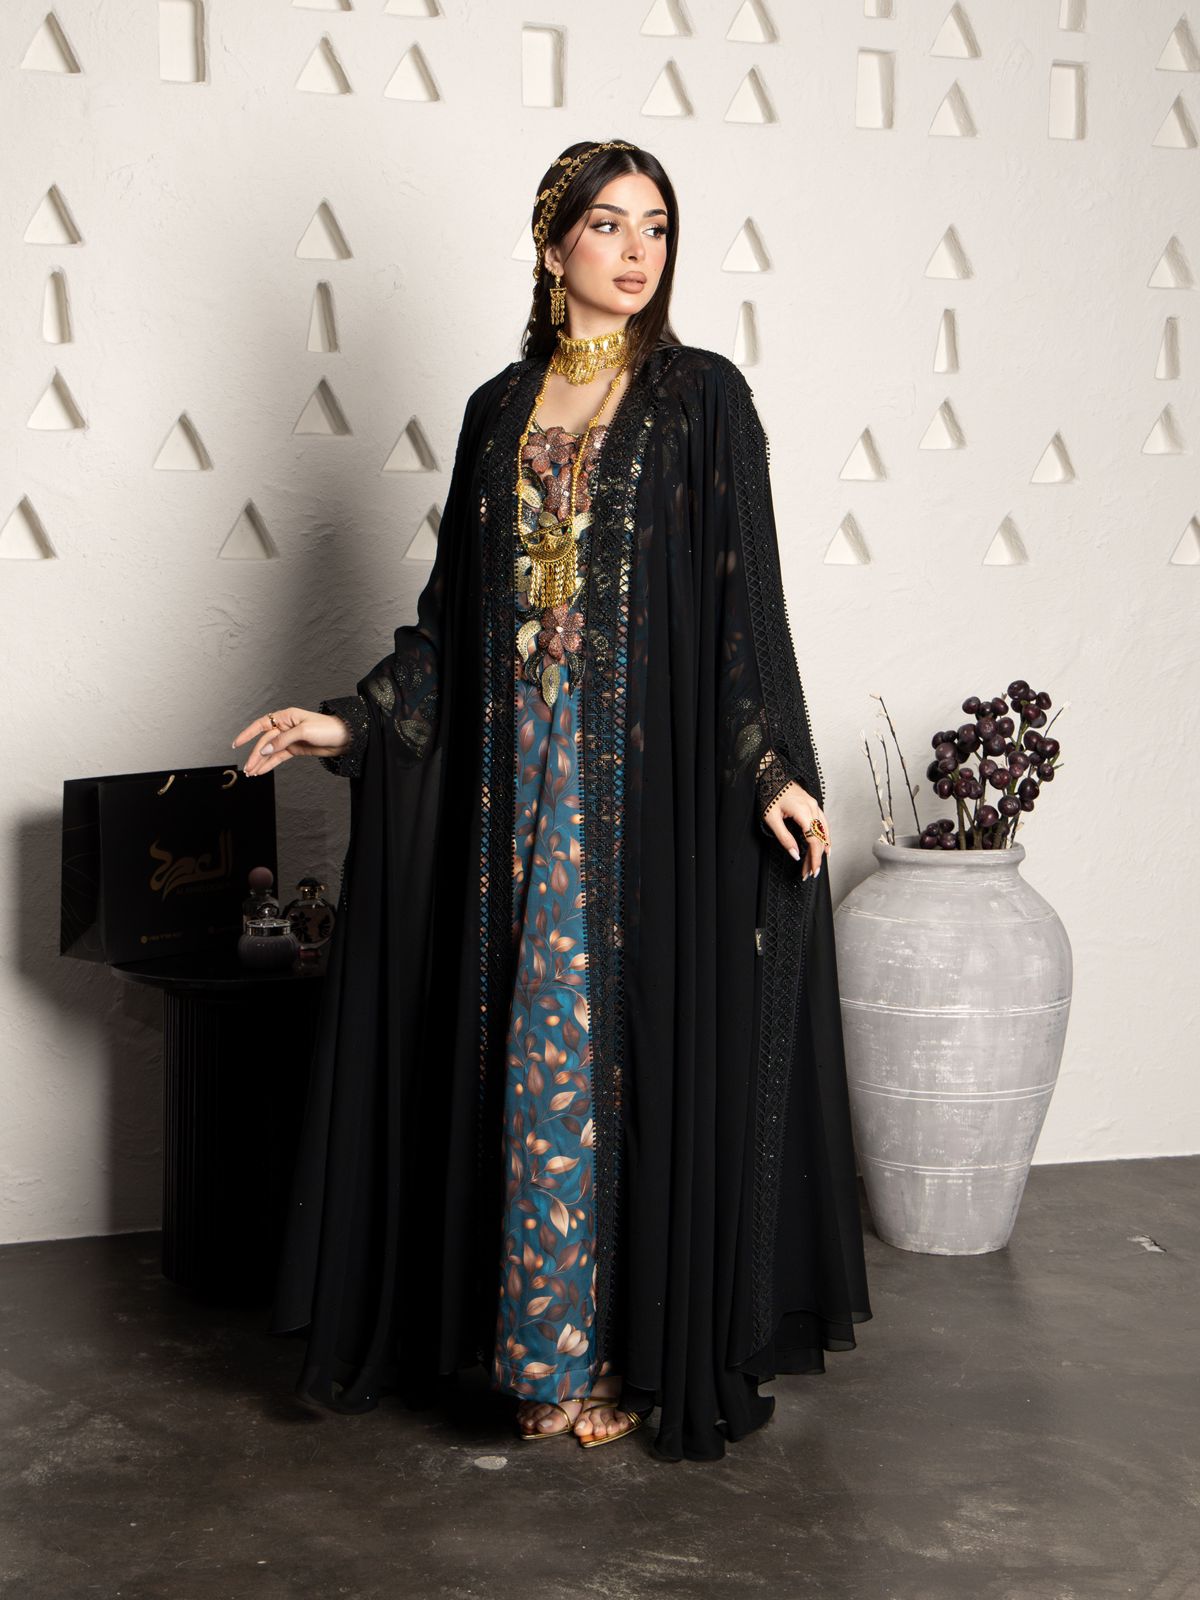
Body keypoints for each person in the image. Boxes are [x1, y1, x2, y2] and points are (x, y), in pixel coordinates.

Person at [232, 138, 872, 1463]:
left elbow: (742, 611)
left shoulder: (701, 401)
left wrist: (770, 770)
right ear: (553, 242)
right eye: (609, 224)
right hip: (508, 794)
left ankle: (625, 1351)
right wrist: (349, 721)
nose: (638, 252)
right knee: (530, 1062)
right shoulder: (496, 413)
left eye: (657, 227)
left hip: (645, 800)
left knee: (618, 1056)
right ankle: (542, 1356)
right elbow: (450, 625)